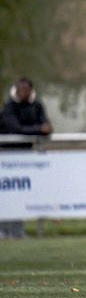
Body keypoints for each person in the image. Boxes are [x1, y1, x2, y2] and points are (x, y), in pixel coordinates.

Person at [0, 77, 53, 238]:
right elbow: (15, 129)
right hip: (7, 156)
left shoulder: (37, 105)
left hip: (25, 157)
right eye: (20, 89)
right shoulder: (9, 107)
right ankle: (4, 230)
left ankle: (17, 231)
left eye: (26, 90)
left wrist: (41, 129)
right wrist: (38, 129)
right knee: (6, 194)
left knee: (19, 195)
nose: (23, 93)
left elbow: (47, 127)